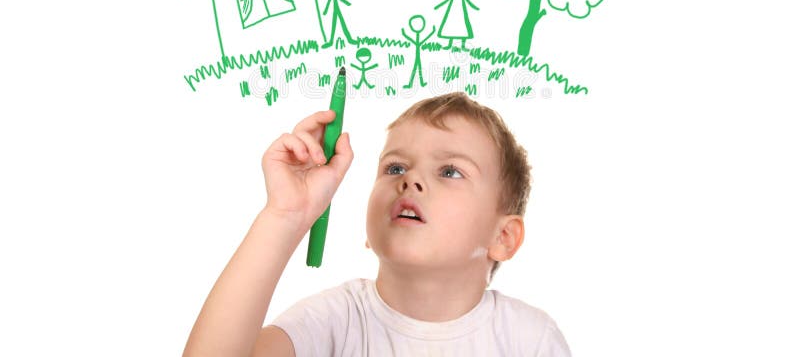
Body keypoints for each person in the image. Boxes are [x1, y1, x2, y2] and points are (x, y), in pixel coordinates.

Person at [183, 92, 571, 357]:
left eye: (450, 171)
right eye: (395, 167)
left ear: (503, 237)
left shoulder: (529, 339)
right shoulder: (336, 321)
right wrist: (285, 216)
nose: (410, 180)